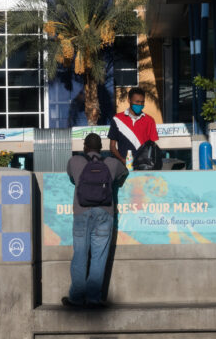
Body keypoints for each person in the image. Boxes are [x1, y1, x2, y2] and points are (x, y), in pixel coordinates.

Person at [64, 133, 127, 308]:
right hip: (104, 213)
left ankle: (76, 298)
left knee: (80, 255)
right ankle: (93, 299)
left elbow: (71, 176)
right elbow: (125, 172)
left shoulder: (75, 161)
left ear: (85, 147)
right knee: (99, 257)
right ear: (101, 148)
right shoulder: (111, 164)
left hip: (81, 213)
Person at [108, 87, 158, 166]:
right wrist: (122, 160)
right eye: (137, 102)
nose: (140, 105)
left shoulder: (149, 120)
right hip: (123, 166)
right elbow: (112, 146)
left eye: (142, 102)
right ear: (129, 100)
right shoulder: (117, 119)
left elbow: (152, 147)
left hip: (143, 166)